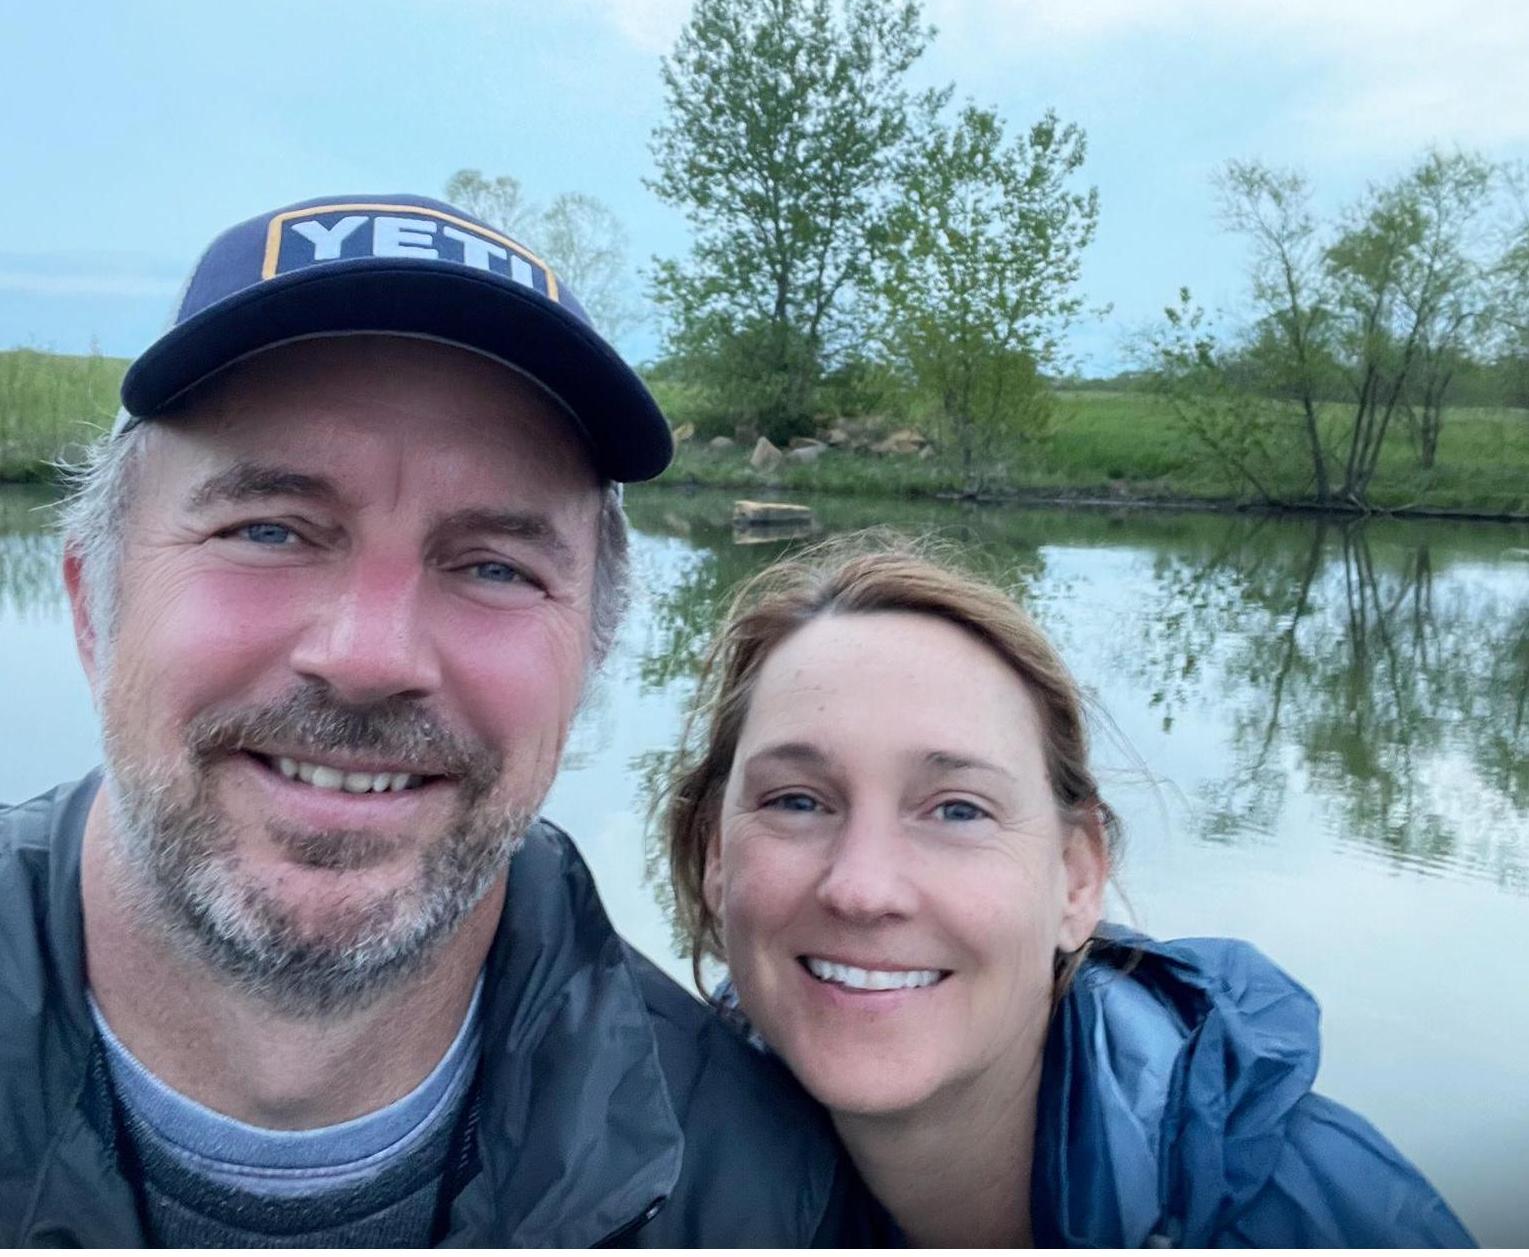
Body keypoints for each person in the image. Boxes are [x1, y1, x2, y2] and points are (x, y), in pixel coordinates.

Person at [0, 194, 886, 1246]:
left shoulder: (760, 1191)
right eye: (272, 529)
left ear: (589, 655)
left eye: (493, 565)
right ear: (93, 607)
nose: (371, 656)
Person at [664, 534, 1476, 1248]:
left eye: (956, 809)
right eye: (796, 801)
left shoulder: (1323, 1220)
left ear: (1078, 877)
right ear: (714, 853)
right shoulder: (640, 1182)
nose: (862, 887)